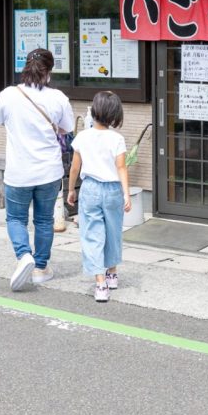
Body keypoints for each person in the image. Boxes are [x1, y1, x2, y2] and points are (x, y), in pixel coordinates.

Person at [0, 48, 73, 291]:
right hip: (49, 171)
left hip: (19, 171)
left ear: (25, 68)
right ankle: (40, 268)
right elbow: (66, 129)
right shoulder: (58, 97)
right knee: (44, 220)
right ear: (48, 72)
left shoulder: (8, 95)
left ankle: (23, 255)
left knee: (16, 218)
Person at [66, 91, 130, 303]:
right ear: (114, 115)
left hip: (90, 188)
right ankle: (112, 273)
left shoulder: (82, 137)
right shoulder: (117, 139)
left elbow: (75, 167)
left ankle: (101, 284)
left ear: (94, 112)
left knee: (92, 234)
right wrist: (127, 193)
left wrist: (71, 189)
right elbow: (121, 168)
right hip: (113, 190)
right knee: (113, 232)